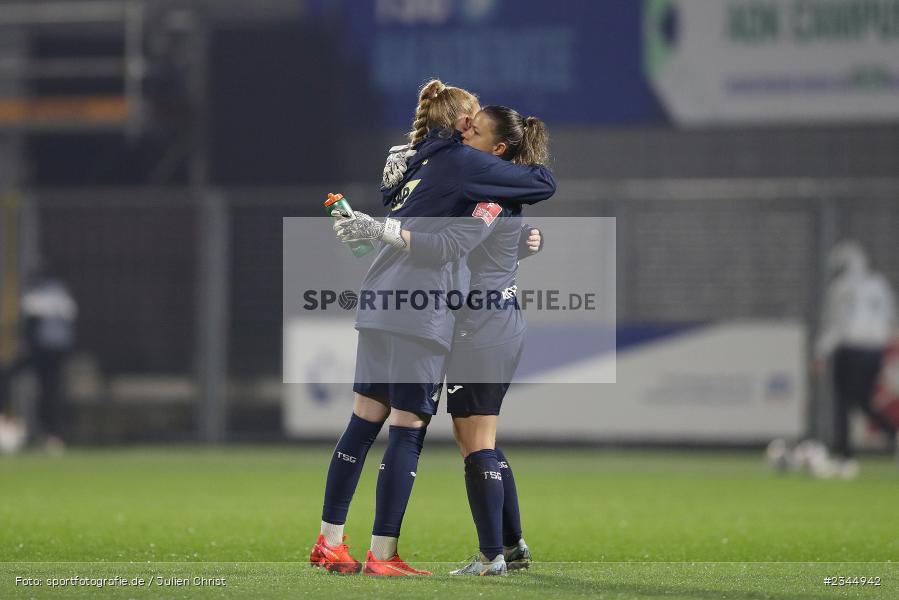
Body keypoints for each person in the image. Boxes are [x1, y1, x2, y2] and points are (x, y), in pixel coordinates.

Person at [309, 79, 556, 576]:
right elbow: (456, 240)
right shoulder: (465, 166)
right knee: (425, 433)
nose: (470, 132)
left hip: (387, 302)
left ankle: (330, 542)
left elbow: (426, 223)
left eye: (478, 129)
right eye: (471, 122)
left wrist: (374, 226)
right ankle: (390, 555)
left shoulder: (416, 162)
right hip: (425, 312)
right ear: (461, 122)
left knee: (368, 425)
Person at [442, 106, 549, 576]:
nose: (467, 136)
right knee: (479, 437)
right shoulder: (500, 191)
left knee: (475, 442)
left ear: (498, 149)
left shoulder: (487, 196)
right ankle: (512, 544)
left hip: (481, 327)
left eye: (477, 131)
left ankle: (491, 557)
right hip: (500, 322)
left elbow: (455, 245)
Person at [813, 240, 897, 478]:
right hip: (876, 349)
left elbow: (836, 324)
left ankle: (844, 457)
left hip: (850, 348)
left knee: (843, 403)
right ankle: (892, 432)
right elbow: (891, 317)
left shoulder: (840, 288)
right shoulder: (879, 284)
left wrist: (820, 352)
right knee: (864, 399)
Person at [0, 268, 77, 454]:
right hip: (51, 353)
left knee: (46, 392)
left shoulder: (42, 295)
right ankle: (51, 435)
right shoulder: (59, 293)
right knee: (47, 391)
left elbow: (30, 326)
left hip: (45, 353)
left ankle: (51, 434)